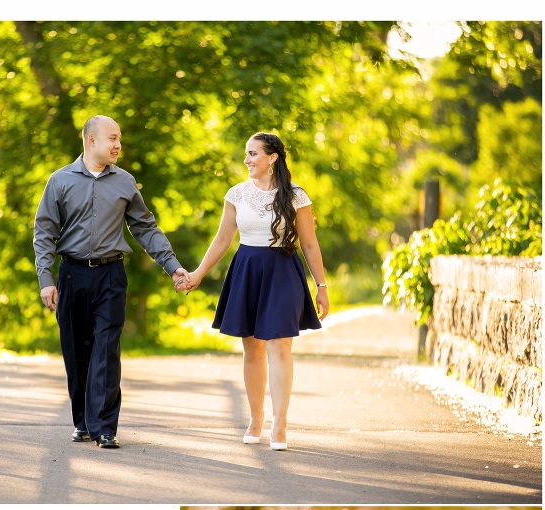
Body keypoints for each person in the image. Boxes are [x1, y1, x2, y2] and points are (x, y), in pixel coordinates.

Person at [33, 115, 190, 448]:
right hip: (72, 275)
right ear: (92, 141)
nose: (118, 145)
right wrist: (46, 279)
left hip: (111, 276)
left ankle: (104, 426)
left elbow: (145, 228)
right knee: (76, 351)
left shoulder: (125, 183)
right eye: (112, 139)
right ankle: (83, 422)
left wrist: (172, 265)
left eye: (120, 139)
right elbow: (44, 232)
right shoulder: (59, 181)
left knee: (106, 349)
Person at [177, 132, 328, 450]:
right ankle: (256, 418)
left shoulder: (296, 196)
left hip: (283, 272)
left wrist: (322, 286)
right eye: (245, 154)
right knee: (253, 349)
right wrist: (198, 274)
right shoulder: (237, 194)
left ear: (272, 158)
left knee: (279, 347)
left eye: (253, 154)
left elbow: (310, 244)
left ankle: (280, 424)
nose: (246, 160)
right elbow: (222, 239)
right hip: (247, 270)